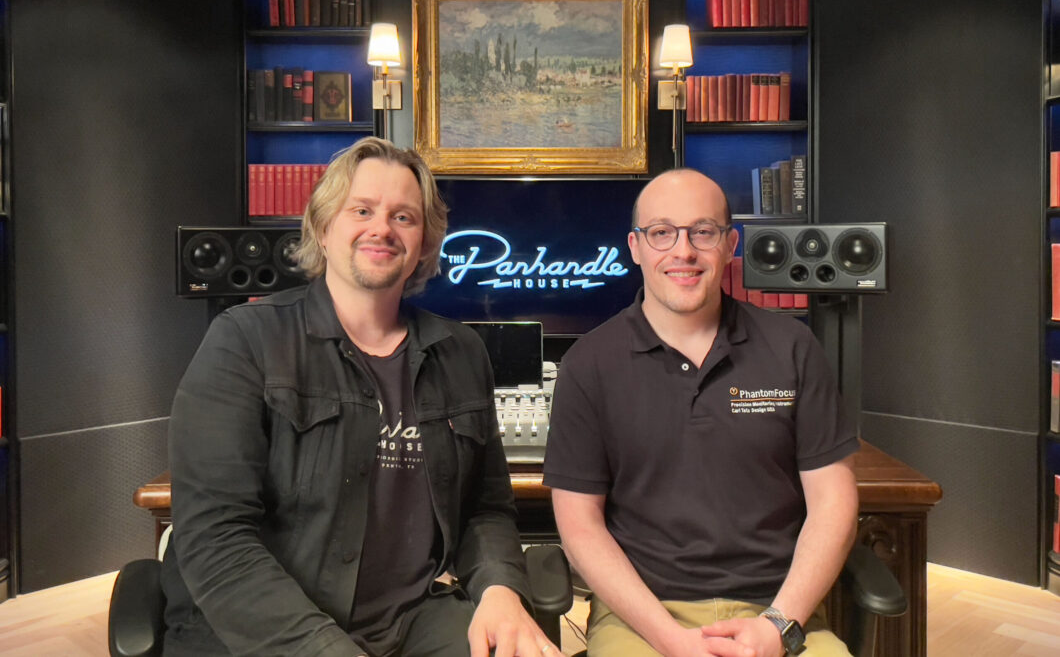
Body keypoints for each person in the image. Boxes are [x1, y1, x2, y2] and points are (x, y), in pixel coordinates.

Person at [162, 138, 559, 657]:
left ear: (424, 242)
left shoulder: (461, 353)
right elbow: (216, 539)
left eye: (403, 217)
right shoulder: (244, 340)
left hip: (409, 621)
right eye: (362, 210)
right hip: (267, 634)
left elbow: (486, 511)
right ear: (323, 227)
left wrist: (501, 590)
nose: (382, 229)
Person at [543, 168, 860, 657]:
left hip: (775, 610)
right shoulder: (587, 364)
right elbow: (580, 526)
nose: (683, 251)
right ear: (635, 247)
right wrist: (670, 640)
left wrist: (777, 626)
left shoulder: (793, 347)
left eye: (703, 232)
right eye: (662, 232)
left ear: (730, 244)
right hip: (643, 619)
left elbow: (834, 504)